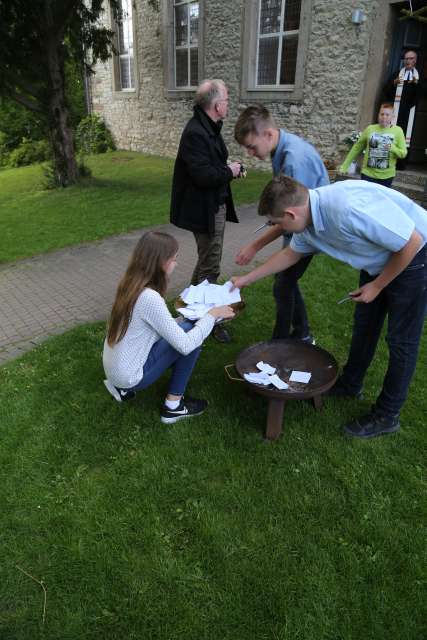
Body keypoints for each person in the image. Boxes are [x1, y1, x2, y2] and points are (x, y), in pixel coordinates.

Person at [231, 176, 427, 439]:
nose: (278, 229)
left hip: (415, 256)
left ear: (290, 213)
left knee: (401, 341)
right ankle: (350, 384)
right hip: (380, 259)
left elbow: (411, 241)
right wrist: (245, 280)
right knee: (365, 326)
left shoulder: (346, 209)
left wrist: (378, 286)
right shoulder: (309, 221)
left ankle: (387, 414)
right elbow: (290, 254)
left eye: (278, 223)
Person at [103, 231, 234, 424]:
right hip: (130, 376)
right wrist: (212, 315)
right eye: (174, 259)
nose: (176, 263)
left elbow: (150, 326)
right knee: (193, 338)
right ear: (160, 262)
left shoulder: (130, 284)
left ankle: (125, 390)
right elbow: (185, 345)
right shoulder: (149, 297)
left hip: (115, 370)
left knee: (188, 326)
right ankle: (173, 407)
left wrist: (183, 320)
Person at [234, 105, 329, 343]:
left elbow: (291, 217)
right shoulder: (282, 150)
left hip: (311, 230)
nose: (250, 153)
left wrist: (254, 246)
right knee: (285, 281)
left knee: (283, 284)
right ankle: (301, 333)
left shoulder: (294, 161)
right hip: (299, 227)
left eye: (251, 147)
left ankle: (284, 341)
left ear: (268, 134)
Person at [170, 79, 243, 344]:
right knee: (210, 266)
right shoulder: (196, 132)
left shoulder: (208, 127)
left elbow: (210, 167)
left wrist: (229, 169)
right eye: (226, 99)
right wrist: (230, 171)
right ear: (215, 105)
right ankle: (207, 322)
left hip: (213, 205)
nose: (228, 103)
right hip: (204, 210)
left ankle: (189, 312)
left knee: (205, 263)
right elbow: (202, 175)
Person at [339, 103, 407, 187]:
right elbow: (356, 148)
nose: (384, 117)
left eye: (387, 115)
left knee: (380, 200)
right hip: (368, 174)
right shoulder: (370, 129)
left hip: (386, 176)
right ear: (378, 115)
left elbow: (403, 153)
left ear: (393, 117)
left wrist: (392, 148)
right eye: (382, 114)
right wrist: (345, 165)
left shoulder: (398, 131)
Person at [385, 50, 419, 148]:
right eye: (406, 58)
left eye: (411, 58)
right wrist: (393, 83)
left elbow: (420, 95)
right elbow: (385, 91)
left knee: (404, 139)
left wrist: (416, 83)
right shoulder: (396, 74)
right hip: (394, 113)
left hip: (409, 114)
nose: (408, 60)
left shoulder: (418, 76)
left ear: (415, 60)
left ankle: (401, 162)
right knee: (391, 137)